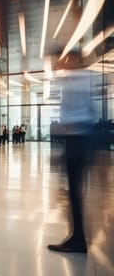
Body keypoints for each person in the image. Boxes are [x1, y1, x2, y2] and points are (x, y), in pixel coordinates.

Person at [48, 52, 95, 254]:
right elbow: (90, 112)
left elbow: (79, 114)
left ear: (74, 60)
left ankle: (78, 240)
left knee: (74, 192)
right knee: (74, 192)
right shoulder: (83, 79)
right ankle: (77, 237)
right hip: (79, 140)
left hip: (76, 141)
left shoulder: (76, 81)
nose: (61, 62)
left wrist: (63, 127)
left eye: (66, 59)